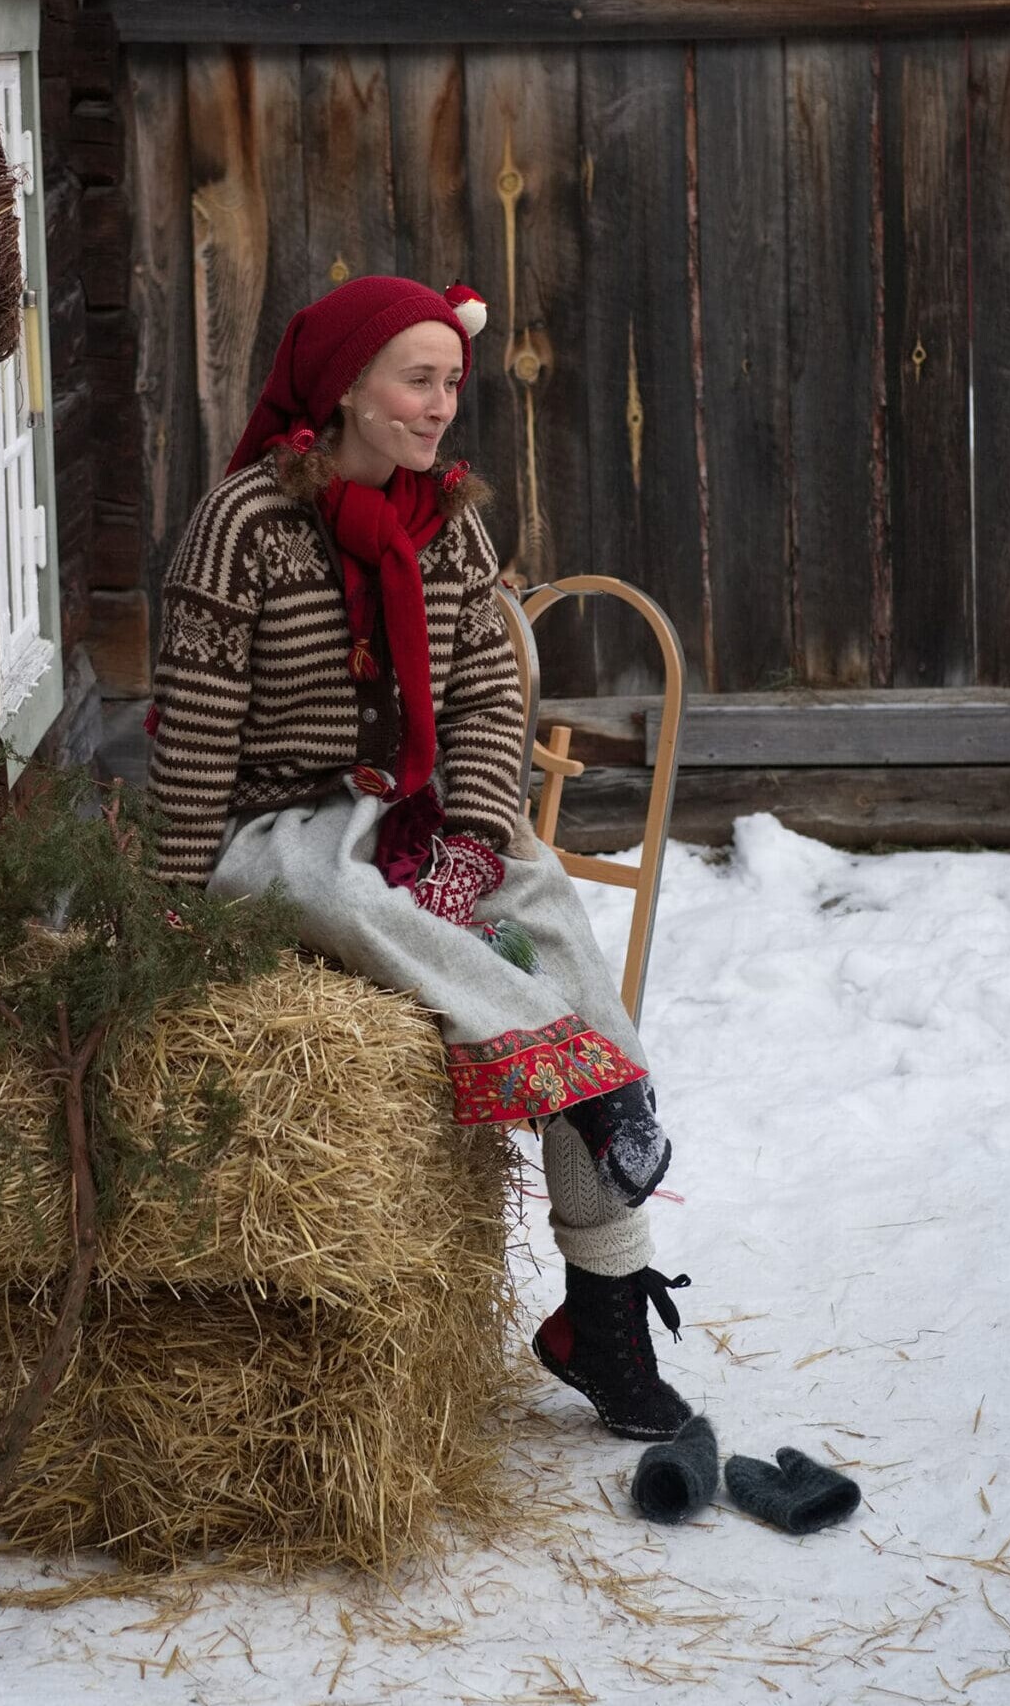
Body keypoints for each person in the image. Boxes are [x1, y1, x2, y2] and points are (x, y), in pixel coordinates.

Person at [145, 275, 692, 1441]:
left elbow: (492, 692)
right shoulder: (240, 528)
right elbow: (191, 736)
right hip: (279, 823)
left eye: (453, 381)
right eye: (418, 379)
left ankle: (602, 1297)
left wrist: (476, 838)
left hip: (422, 806)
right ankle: (565, 1064)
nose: (444, 405)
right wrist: (165, 908)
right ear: (346, 390)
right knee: (323, 886)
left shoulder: (446, 520)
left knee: (540, 900)